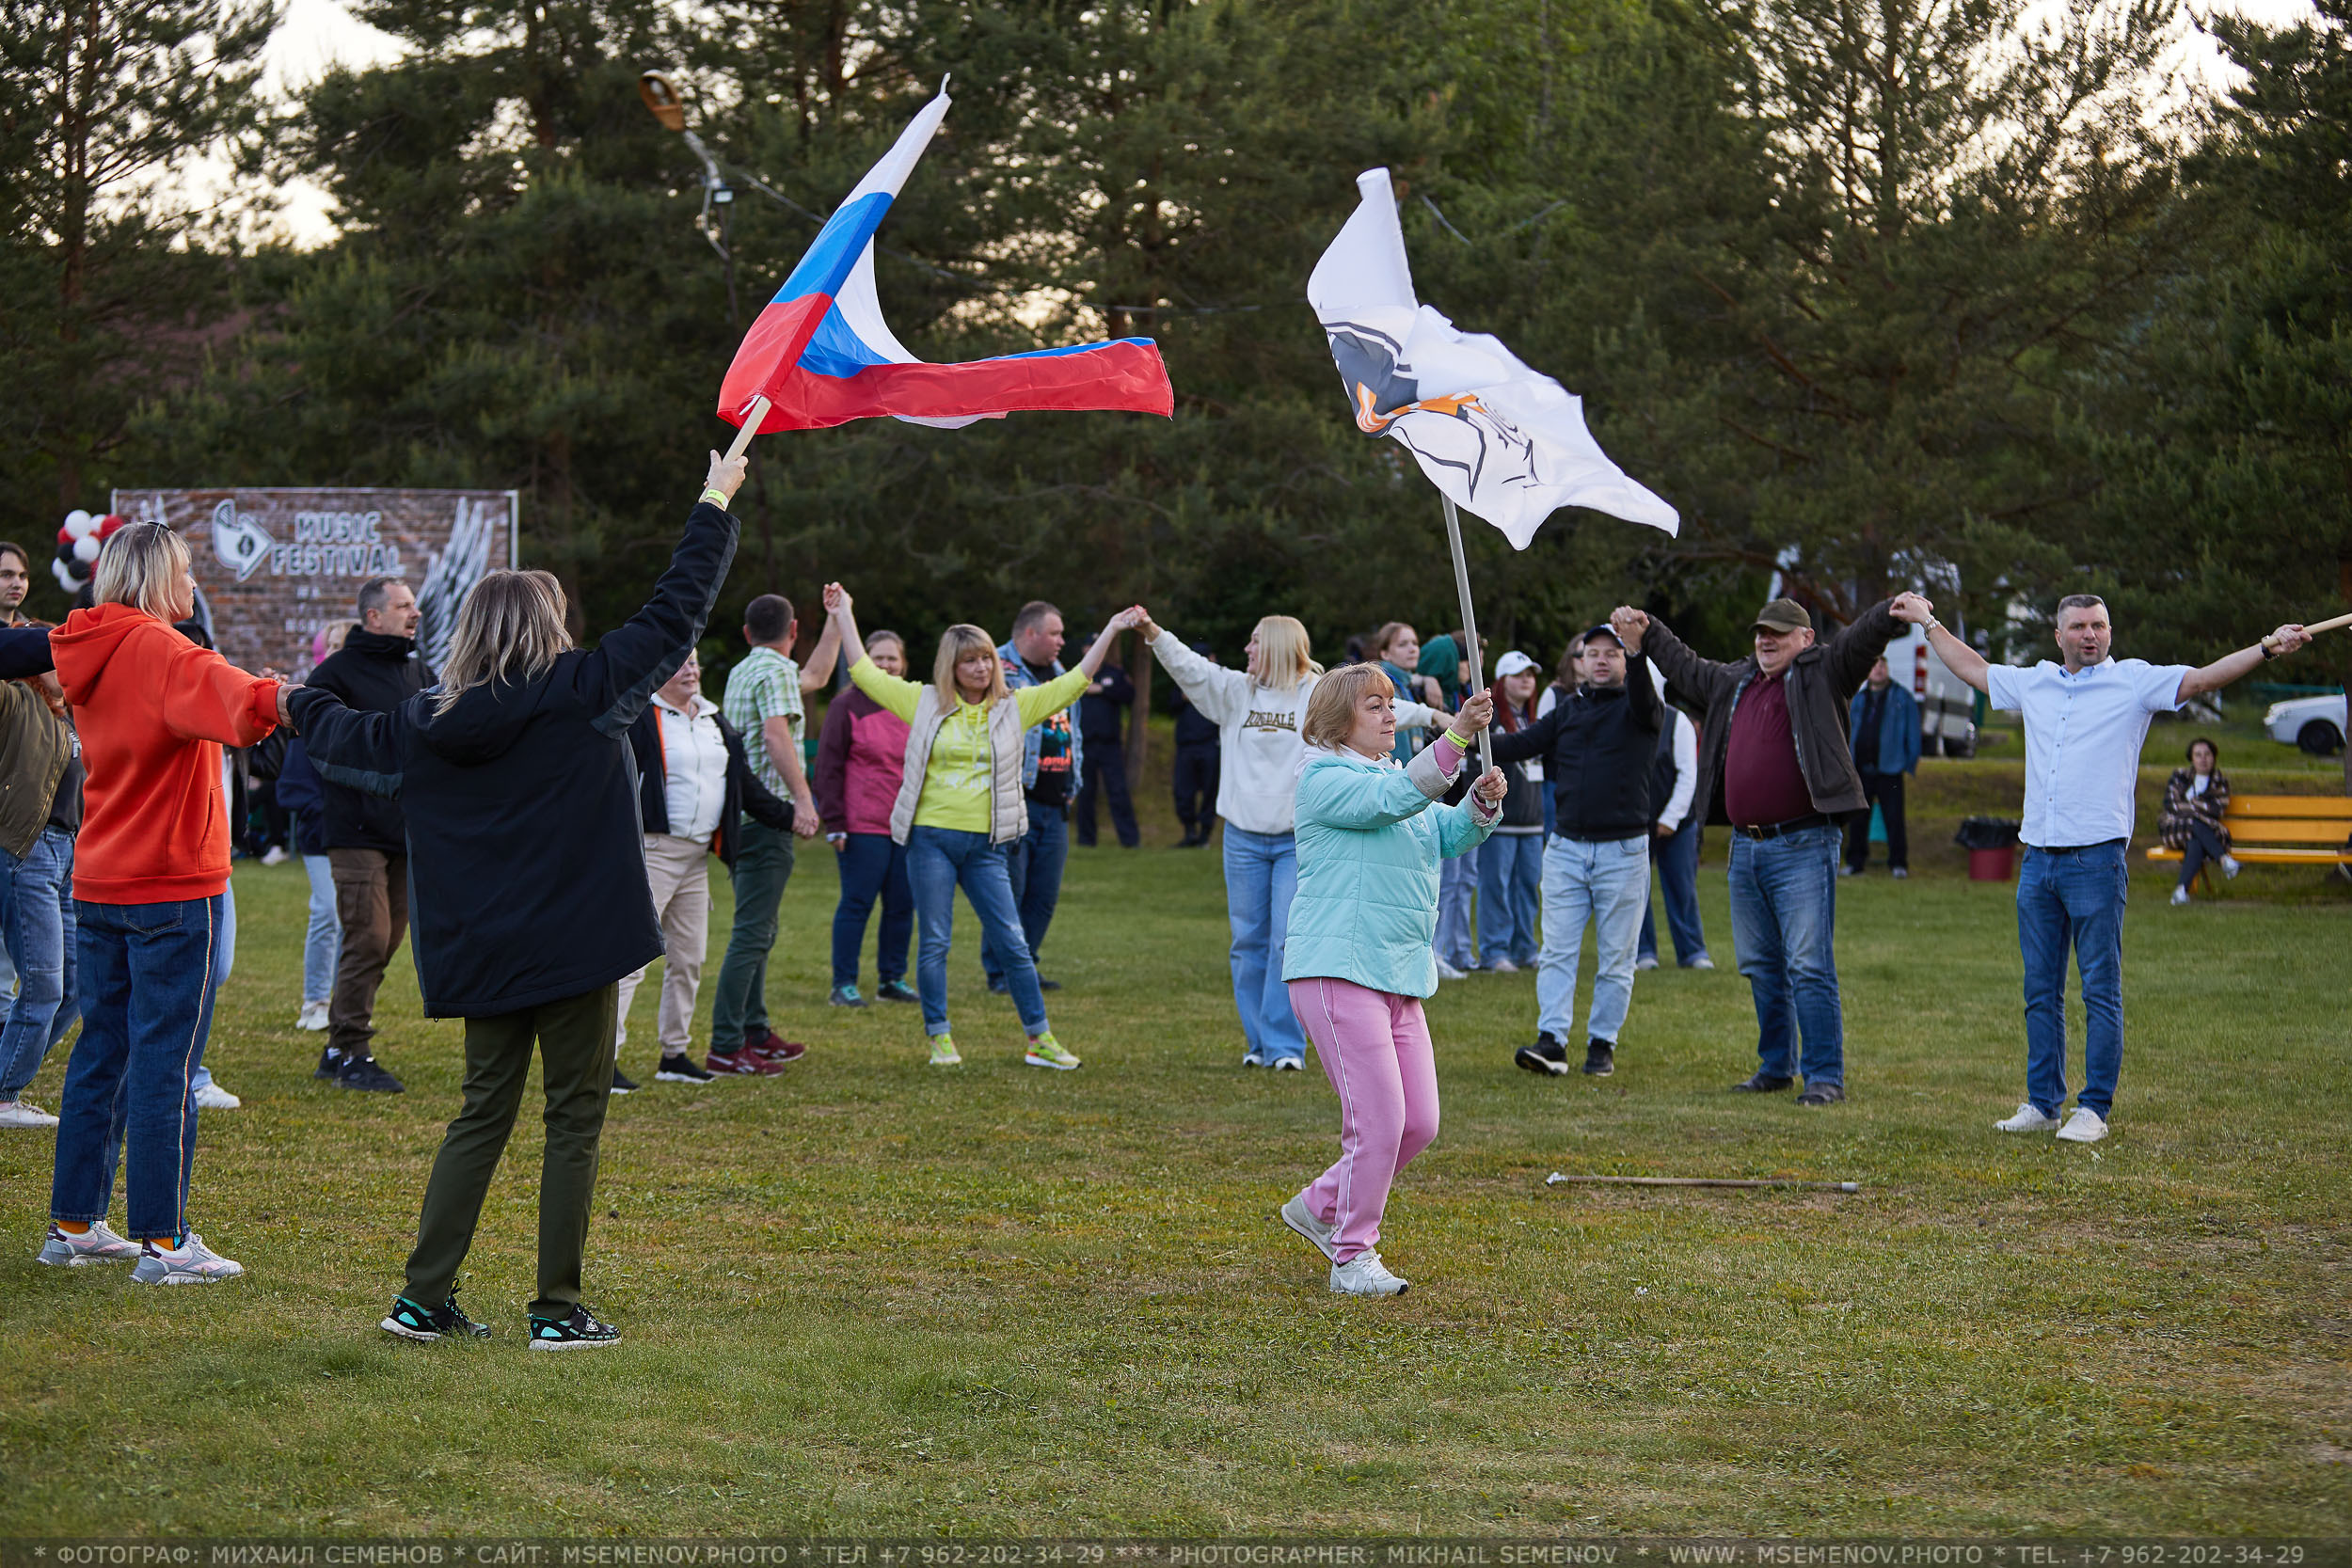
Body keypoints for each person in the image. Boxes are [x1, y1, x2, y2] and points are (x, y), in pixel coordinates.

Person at [293, 450, 750, 1348]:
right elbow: (677, 605)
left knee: (481, 1112)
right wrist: (714, 497)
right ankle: (556, 1310)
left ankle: (422, 1300)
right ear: (547, 626)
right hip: (575, 947)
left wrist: (284, 700)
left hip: (482, 951)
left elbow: (339, 729)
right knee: (572, 1119)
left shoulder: (427, 720)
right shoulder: (582, 693)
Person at [1900, 594, 2310, 1143]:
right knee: (2040, 990)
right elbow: (1972, 666)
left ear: (2110, 632)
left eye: (2098, 626)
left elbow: (2205, 679)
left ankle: (2092, 1109)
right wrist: (1928, 622)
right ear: (2059, 635)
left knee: (2100, 990)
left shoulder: (2134, 683)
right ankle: (2044, 1103)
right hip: (2037, 862)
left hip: (2096, 862)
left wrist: (2266, 647)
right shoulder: (2035, 682)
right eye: (2078, 627)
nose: (2089, 635)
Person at [41, 523, 285, 1283]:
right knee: (165, 1062)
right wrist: (284, 694)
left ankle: (75, 1223)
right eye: (184, 570)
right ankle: (166, 1240)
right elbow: (242, 705)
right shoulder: (165, 650)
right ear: (154, 578)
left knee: (101, 1052)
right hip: (173, 884)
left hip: (103, 878)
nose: (193, 585)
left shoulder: (88, 645)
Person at [1615, 594, 1917, 1105]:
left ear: (1805, 640)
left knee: (1807, 963)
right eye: (1761, 631)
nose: (1766, 640)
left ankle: (1824, 1077)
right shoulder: (1735, 683)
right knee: (1760, 962)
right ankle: (1777, 1066)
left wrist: (1890, 610)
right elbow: (1686, 669)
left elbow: (1858, 641)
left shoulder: (1823, 674)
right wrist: (1648, 634)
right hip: (1745, 847)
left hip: (1805, 843)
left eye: (1778, 632)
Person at [824, 584, 1141, 1069]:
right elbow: (864, 674)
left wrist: (1115, 629)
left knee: (1013, 943)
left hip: (988, 847)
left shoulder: (1014, 707)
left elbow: (1077, 680)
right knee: (935, 942)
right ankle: (940, 1037)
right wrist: (844, 612)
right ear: (950, 666)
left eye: (987, 660)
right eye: (970, 661)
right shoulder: (924, 702)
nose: (981, 668)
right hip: (930, 841)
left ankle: (1040, 1039)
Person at [1276, 665, 1502, 1296]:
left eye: (1389, 704)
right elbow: (1394, 802)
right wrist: (1455, 737)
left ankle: (1320, 1203)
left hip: (1399, 975)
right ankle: (1352, 1257)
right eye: (1373, 705)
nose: (1388, 714)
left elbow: (1441, 834)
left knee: (1418, 1122)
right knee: (1377, 1122)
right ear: (1336, 720)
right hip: (1338, 969)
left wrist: (1480, 803)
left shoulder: (1396, 780)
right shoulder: (1323, 777)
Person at [1139, 610, 1448, 1069]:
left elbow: (1380, 708)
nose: (1247, 650)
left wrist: (1436, 715)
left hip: (1293, 840)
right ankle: (1257, 1044)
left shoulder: (1314, 694)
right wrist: (1153, 633)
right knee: (1246, 942)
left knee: (1286, 940)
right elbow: (1190, 667)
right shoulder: (1235, 691)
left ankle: (1285, 1047)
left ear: (1281, 647)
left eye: (1255, 641)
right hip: (1242, 836)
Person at [1490, 624, 1665, 1079]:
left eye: (1613, 652)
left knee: (1616, 959)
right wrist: (1465, 733)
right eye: (1594, 653)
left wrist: (1639, 648)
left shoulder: (1642, 709)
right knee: (1556, 952)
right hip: (1566, 848)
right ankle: (1552, 1041)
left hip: (1623, 853)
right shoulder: (1566, 711)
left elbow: (1646, 695)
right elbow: (1516, 745)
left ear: (1625, 660)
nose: (1603, 660)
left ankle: (1602, 1045)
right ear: (1580, 662)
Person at [618, 650, 795, 1086]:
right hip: (653, 852)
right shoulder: (640, 719)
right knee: (631, 962)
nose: (691, 669)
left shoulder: (716, 723)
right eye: (679, 662)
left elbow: (745, 787)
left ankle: (673, 1055)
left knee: (689, 958)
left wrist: (793, 816)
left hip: (697, 858)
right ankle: (602, 1061)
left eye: (695, 661)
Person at [306, 576, 434, 1093]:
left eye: (415, 604)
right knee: (368, 937)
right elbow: (316, 743)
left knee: (386, 942)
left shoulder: (420, 670)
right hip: (354, 830)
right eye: (404, 605)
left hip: (404, 832)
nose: (415, 613)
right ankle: (353, 1050)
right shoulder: (335, 673)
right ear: (373, 617)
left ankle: (337, 1048)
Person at [708, 593, 833, 1073]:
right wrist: (803, 800)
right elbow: (776, 734)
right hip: (764, 820)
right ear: (794, 632)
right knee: (752, 932)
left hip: (740, 820)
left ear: (746, 633)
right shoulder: (778, 671)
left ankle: (755, 1030)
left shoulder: (745, 669)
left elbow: (818, 677)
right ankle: (725, 1043)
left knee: (760, 928)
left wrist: (840, 621)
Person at [982, 602, 1083, 995]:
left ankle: (1025, 965)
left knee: (1043, 895)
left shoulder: (1061, 675)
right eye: (1055, 633)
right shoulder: (996, 669)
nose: (1061, 641)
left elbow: (1075, 734)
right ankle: (1000, 971)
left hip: (1056, 802)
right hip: (1016, 799)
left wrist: (1074, 784)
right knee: (1009, 890)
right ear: (1030, 634)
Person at [816, 629, 918, 1009]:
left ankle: (892, 979)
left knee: (903, 904)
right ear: (863, 662)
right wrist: (835, 821)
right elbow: (828, 767)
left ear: (903, 664)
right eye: (878, 658)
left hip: (906, 824)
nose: (886, 665)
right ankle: (843, 984)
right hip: (861, 825)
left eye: (893, 659)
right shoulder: (847, 707)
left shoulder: (914, 704)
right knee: (857, 903)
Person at [0, 651, 80, 1130]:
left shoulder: (71, 714)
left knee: (78, 984)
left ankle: (6, 1074)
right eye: (55, 657)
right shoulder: (14, 700)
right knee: (45, 984)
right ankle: (4, 1093)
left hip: (68, 856)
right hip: (28, 851)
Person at [1635, 681, 1712, 973]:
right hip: (1637, 822)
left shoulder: (1676, 720)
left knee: (1682, 887)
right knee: (1636, 888)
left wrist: (1670, 818)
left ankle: (1692, 951)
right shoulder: (1625, 718)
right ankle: (1643, 952)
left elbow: (1687, 775)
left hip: (1678, 823)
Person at [1475, 651, 1545, 974]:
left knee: (1527, 887)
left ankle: (1524, 949)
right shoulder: (1490, 722)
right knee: (1497, 888)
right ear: (1502, 682)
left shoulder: (1533, 718)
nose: (1527, 680)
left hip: (1532, 821)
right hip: (1501, 821)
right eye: (1519, 675)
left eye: (1531, 674)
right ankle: (1494, 951)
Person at [1843, 656, 1921, 879]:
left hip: (1890, 769)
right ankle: (1855, 863)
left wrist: (1909, 762)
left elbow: (1913, 734)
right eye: (1873, 665)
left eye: (1882, 665)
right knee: (1857, 819)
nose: (1878, 669)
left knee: (1894, 819)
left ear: (1887, 668)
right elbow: (1848, 730)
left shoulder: (1901, 697)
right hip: (1861, 770)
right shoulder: (1858, 699)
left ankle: (1898, 864)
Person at [1073, 648, 1139, 849]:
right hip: (1085, 744)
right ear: (1084, 650)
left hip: (1109, 744)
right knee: (1085, 793)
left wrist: (1102, 689)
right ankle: (1086, 840)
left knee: (1118, 792)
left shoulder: (1114, 673)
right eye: (1088, 648)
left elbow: (1129, 694)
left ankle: (1130, 840)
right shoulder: (1077, 673)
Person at [2161, 737, 2239, 904]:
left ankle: (2180, 891)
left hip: (2203, 834)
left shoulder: (2220, 783)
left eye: (2207, 754)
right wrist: (2198, 808)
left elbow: (2216, 810)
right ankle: (2224, 860)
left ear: (2214, 757)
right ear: (2192, 758)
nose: (2203, 759)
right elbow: (2171, 804)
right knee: (2193, 823)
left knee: (2195, 842)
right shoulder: (2179, 777)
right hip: (2175, 830)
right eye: (2198, 755)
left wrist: (2188, 806)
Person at [1170, 642, 1222, 847]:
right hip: (1186, 745)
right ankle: (1189, 832)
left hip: (1210, 744)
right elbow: (1172, 704)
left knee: (1210, 791)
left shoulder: (1220, 681)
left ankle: (1205, 835)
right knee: (1183, 791)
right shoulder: (1183, 679)